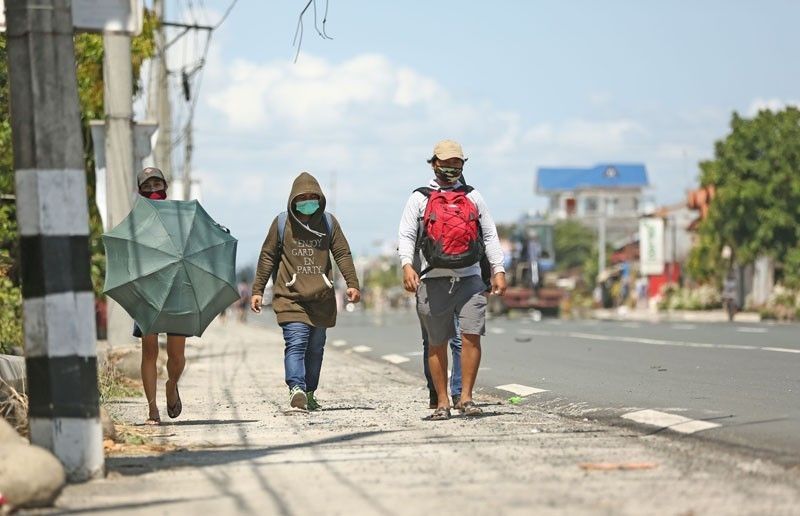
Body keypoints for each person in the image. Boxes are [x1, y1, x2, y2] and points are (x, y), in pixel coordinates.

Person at [398, 140, 506, 420]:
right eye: (446, 163)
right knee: (437, 342)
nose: (451, 168)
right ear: (434, 163)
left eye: (457, 163)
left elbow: (490, 235)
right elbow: (407, 235)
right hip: (432, 280)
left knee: (471, 337)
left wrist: (498, 269)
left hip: (470, 279)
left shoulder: (473, 196)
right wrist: (407, 265)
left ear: (463, 164)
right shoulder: (419, 198)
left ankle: (466, 398)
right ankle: (442, 402)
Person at [250, 172, 361, 411]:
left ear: (320, 199)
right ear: (293, 199)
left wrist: (352, 283)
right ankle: (296, 388)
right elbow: (268, 256)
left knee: (315, 349)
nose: (308, 200)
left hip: (321, 298)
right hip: (291, 298)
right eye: (303, 197)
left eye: (313, 197)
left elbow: (342, 253)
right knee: (296, 342)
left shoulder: (329, 223)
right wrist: (257, 289)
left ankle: (309, 392)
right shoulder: (282, 224)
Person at [134, 167, 188, 426]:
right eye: (148, 186)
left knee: (177, 357)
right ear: (140, 191)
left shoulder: (180, 217)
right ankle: (152, 409)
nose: (153, 189)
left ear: (165, 187)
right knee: (149, 351)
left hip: (177, 290)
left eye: (157, 184)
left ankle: (172, 384)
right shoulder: (134, 222)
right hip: (147, 293)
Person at [422, 317, 461, 409]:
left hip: (458, 303)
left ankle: (459, 393)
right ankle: (436, 393)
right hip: (432, 304)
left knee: (459, 341)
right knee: (432, 342)